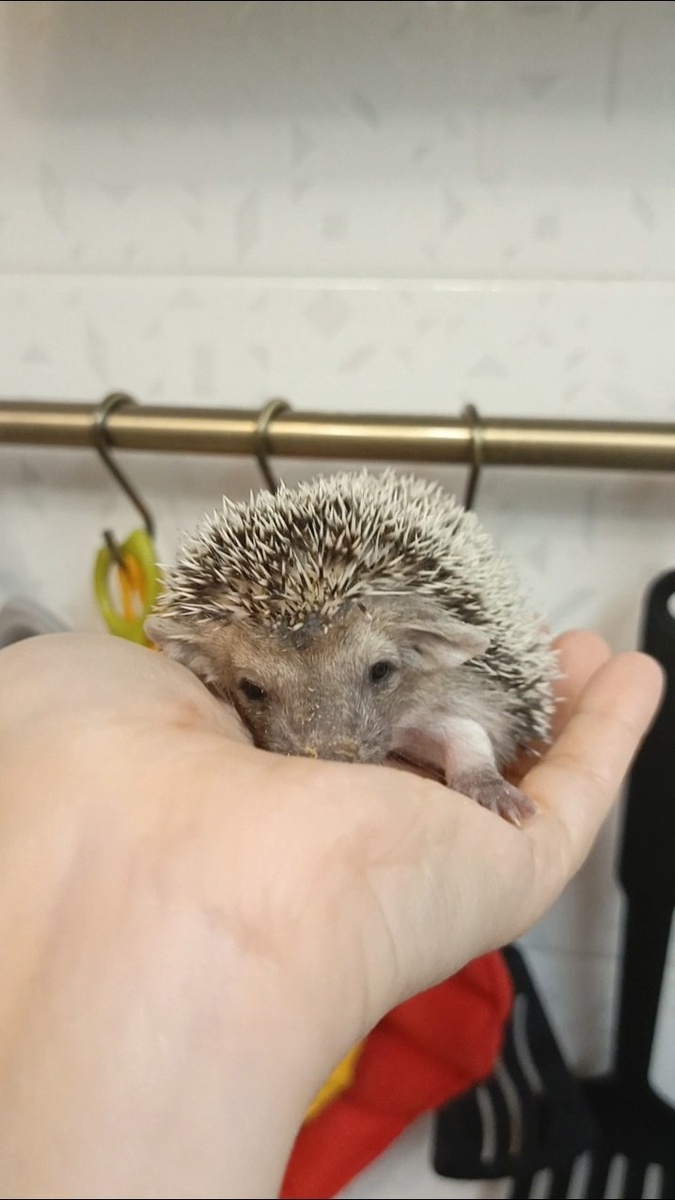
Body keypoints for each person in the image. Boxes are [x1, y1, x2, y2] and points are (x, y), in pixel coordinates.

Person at [0, 629, 662, 1199]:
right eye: (257, 688)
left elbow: (458, 728)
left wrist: (476, 775)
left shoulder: (429, 687)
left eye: (375, 673)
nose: (327, 739)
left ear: (427, 648)